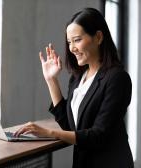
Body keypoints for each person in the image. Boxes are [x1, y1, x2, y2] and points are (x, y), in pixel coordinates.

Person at [14, 8, 134, 168]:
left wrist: (48, 133)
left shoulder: (117, 78)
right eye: (69, 42)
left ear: (98, 37)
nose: (71, 48)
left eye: (77, 40)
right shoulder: (77, 78)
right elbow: (70, 127)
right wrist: (51, 80)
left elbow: (99, 135)